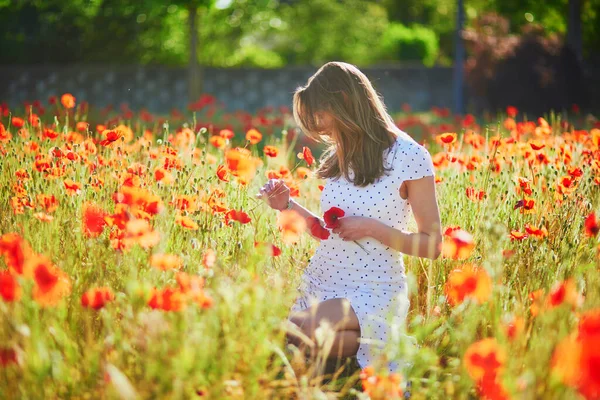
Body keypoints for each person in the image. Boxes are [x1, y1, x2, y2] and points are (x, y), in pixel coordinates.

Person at [256, 61, 442, 373]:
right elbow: (327, 230)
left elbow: (433, 246)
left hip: (373, 288)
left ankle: (386, 339)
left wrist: (372, 228)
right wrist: (287, 205)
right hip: (326, 279)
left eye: (320, 113)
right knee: (295, 341)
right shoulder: (343, 151)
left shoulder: (410, 156)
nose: (318, 124)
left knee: (293, 333)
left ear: (344, 101)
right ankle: (384, 342)